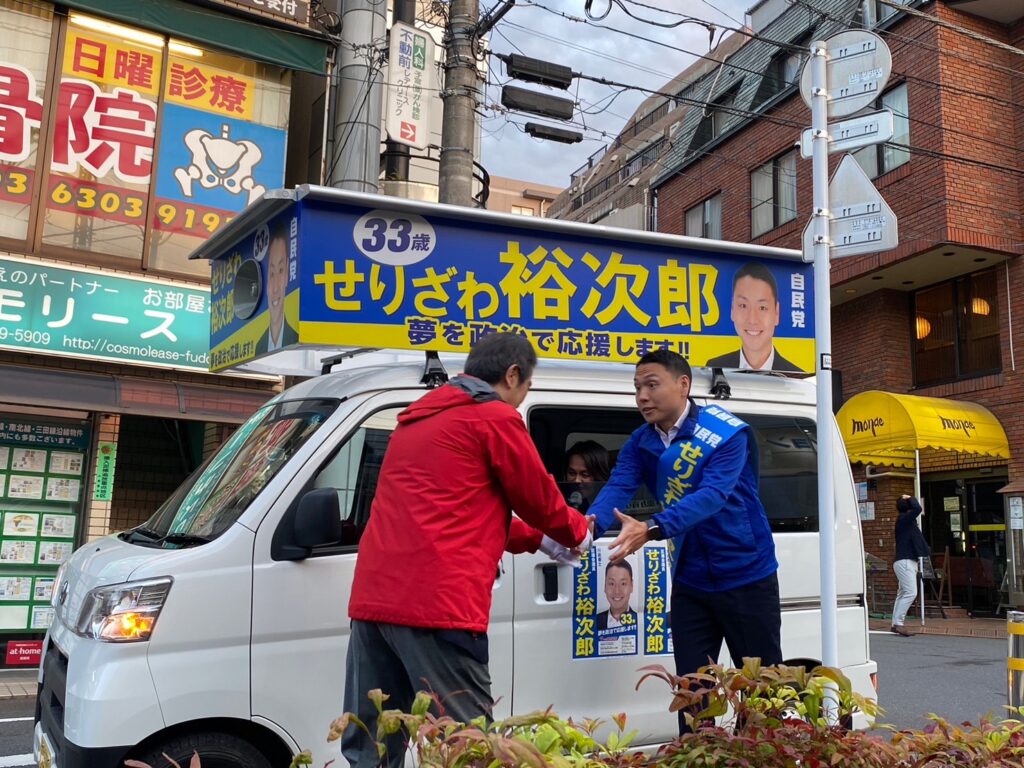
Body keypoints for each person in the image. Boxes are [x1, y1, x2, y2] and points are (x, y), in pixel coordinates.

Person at [342, 333, 592, 768]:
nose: (522, 399)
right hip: (438, 604)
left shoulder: (416, 420)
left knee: (374, 741)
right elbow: (539, 499)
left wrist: (538, 539)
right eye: (527, 387)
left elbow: (457, 511)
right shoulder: (493, 418)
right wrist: (579, 534)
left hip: (373, 604)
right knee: (468, 743)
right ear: (512, 375)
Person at [588, 348, 781, 732]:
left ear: (683, 384)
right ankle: (696, 752)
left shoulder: (725, 434)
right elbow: (618, 488)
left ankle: (762, 754)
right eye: (637, 388)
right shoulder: (641, 441)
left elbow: (712, 496)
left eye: (651, 385)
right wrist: (583, 529)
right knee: (692, 692)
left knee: (760, 689)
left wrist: (652, 528)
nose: (642, 397)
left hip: (746, 574)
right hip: (691, 580)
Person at [705, 262, 802, 372]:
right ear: (732, 310)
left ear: (776, 313)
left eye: (762, 308)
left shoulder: (797, 375)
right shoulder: (715, 368)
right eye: (743, 305)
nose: (752, 320)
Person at [256, 223, 299, 354]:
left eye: (280, 271)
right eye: (271, 273)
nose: (275, 289)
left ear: (287, 275)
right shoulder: (259, 347)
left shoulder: (296, 338)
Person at [891, 494, 929, 637]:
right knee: (911, 592)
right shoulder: (904, 519)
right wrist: (911, 497)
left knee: (902, 593)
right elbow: (918, 508)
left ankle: (895, 623)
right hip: (906, 562)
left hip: (904, 561)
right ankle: (898, 623)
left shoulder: (904, 521)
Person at [595, 560, 638, 631]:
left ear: (631, 586)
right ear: (605, 586)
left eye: (623, 584)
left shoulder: (641, 620)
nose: (617, 591)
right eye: (611, 583)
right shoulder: (593, 621)